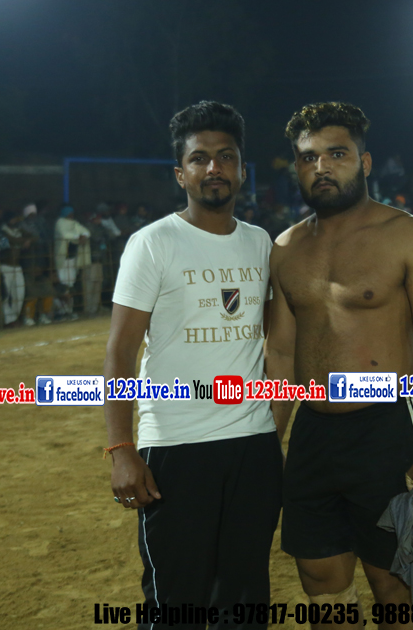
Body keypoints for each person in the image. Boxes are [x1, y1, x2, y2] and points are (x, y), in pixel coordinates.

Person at [267, 102, 413, 629]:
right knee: (319, 578)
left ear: (365, 162)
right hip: (313, 433)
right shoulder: (285, 248)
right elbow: (281, 356)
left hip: (387, 426)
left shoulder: (412, 237)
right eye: (308, 158)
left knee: (395, 583)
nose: (321, 168)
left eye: (337, 154)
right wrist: (269, 443)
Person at [103, 101, 281, 630]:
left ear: (242, 169)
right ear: (180, 173)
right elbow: (120, 351)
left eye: (226, 157)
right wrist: (121, 450)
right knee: (176, 604)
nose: (214, 168)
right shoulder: (152, 244)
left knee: (244, 601)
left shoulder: (260, 243)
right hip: (177, 448)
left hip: (252, 446)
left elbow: (278, 341)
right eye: (199, 158)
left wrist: (273, 426)